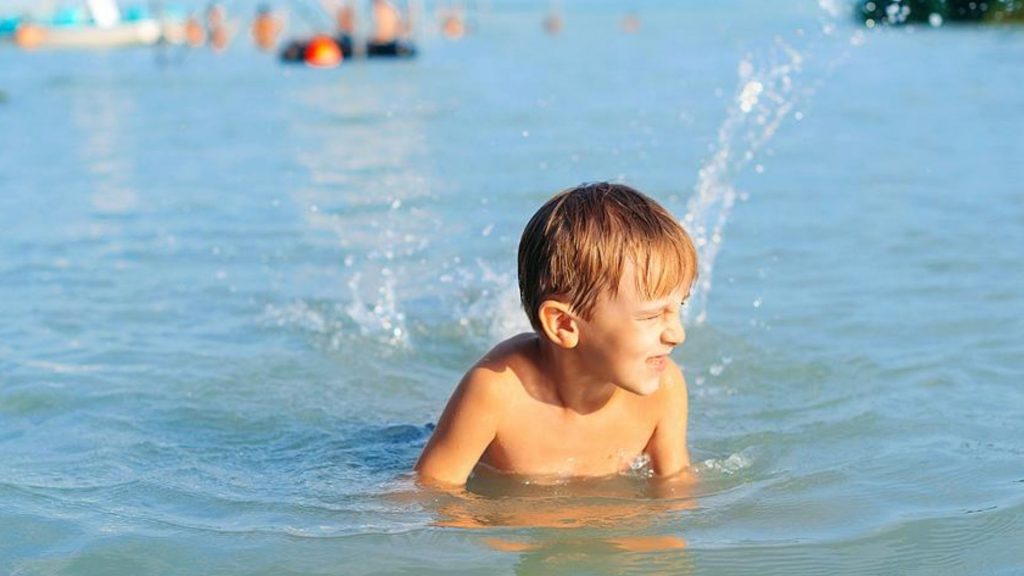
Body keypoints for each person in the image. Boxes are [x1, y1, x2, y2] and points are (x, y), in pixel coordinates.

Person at [415, 182, 698, 487]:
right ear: (564, 324)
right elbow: (432, 494)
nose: (677, 334)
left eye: (679, 306)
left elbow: (676, 491)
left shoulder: (664, 388)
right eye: (652, 316)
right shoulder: (497, 392)